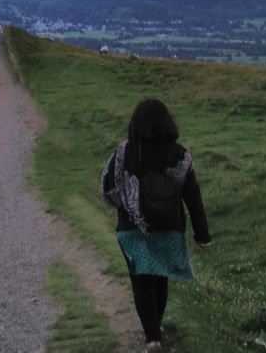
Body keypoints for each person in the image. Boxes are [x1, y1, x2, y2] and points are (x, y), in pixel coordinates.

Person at [101, 98, 212, 353]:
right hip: (169, 229)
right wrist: (202, 235)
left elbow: (108, 189)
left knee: (141, 281)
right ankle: (157, 326)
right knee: (161, 279)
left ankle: (152, 338)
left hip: (132, 230)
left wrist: (128, 205)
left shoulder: (124, 152)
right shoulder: (180, 154)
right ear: (167, 122)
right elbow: (193, 198)